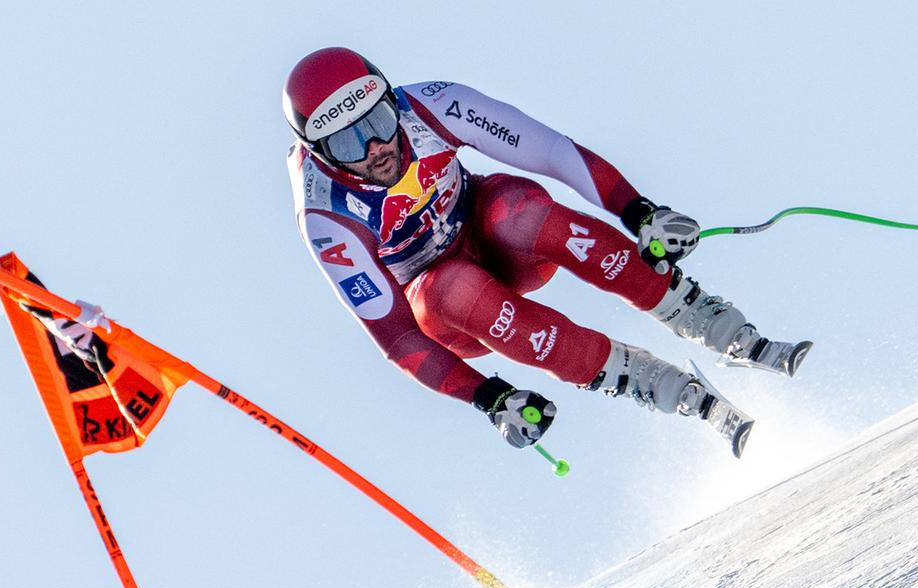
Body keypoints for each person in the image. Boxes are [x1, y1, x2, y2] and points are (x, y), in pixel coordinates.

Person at [282, 47, 810, 457]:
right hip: (446, 306)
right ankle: (663, 387)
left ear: (390, 100)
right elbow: (397, 337)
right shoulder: (327, 217)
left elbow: (552, 152)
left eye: (377, 123)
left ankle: (712, 323)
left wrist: (639, 212)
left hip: (497, 237)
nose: (377, 148)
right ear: (320, 154)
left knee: (519, 209)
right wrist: (487, 398)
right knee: (457, 288)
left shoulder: (429, 105)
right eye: (350, 144)